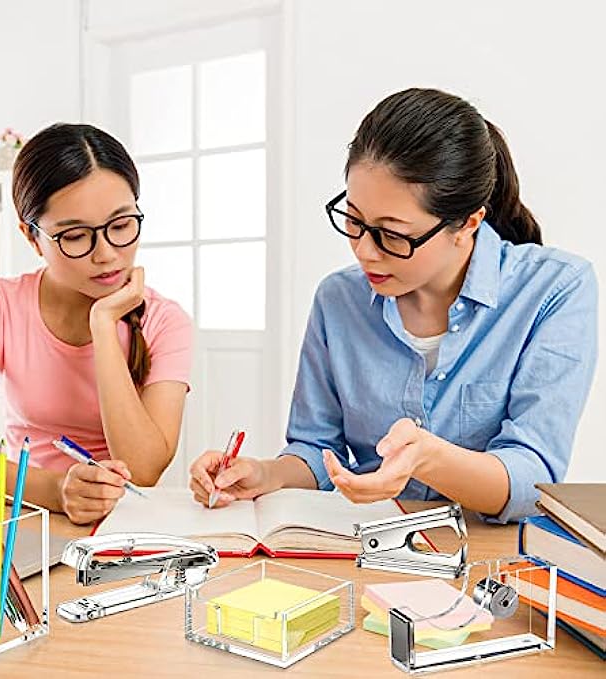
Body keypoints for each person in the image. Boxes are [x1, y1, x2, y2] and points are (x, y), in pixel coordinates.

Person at [189, 88, 598, 523]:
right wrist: (264, 474)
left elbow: (534, 481)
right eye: (354, 220)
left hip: (490, 549)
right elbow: (316, 449)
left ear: (468, 223)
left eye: (392, 234)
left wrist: (428, 459)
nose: (364, 251)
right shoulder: (338, 299)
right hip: (369, 541)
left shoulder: (555, 289)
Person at [0, 123, 192, 524]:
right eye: (75, 236)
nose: (106, 254)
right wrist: (56, 490)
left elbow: (143, 470)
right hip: (24, 518)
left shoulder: (166, 321)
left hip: (124, 528)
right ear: (32, 237)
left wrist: (103, 326)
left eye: (121, 225)